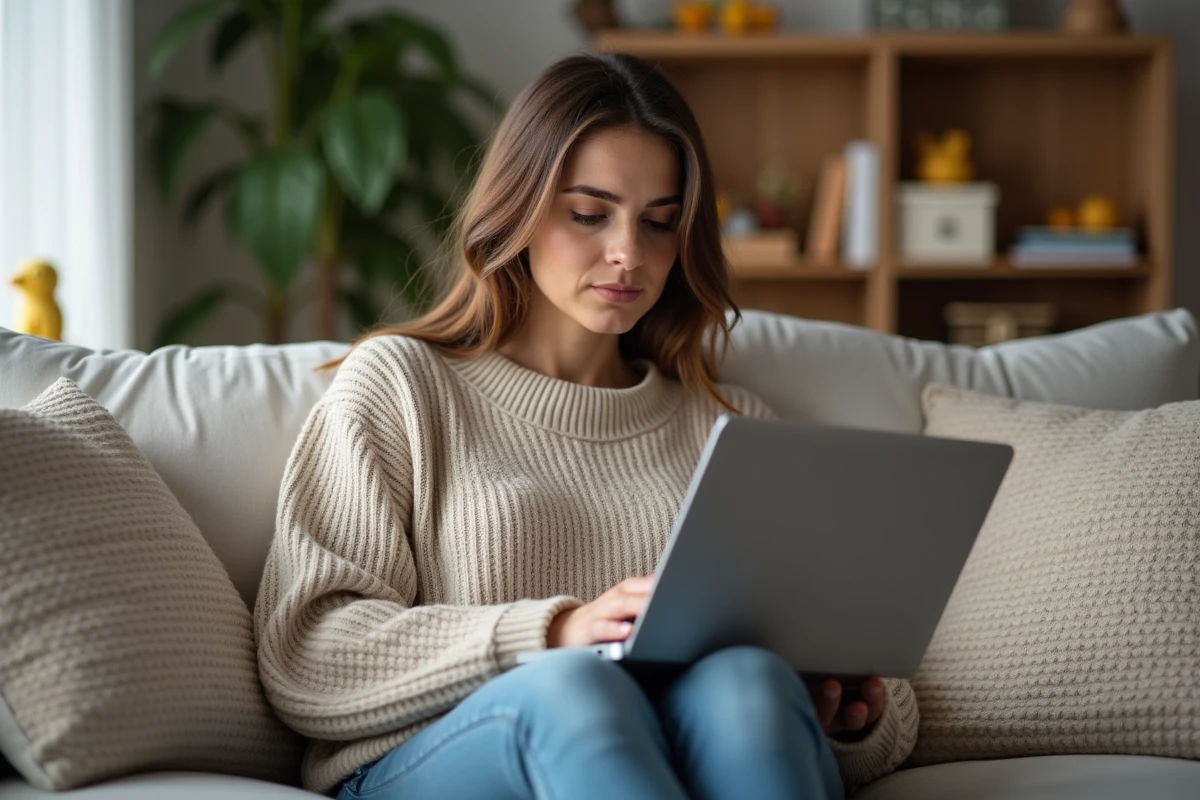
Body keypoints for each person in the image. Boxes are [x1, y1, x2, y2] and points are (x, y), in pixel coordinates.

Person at [253, 52, 917, 800]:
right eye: (589, 213)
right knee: (576, 689)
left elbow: (883, 718)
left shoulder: (733, 430)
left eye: (659, 222)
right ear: (520, 209)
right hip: (440, 762)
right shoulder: (403, 385)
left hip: (680, 755)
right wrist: (558, 632)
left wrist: (851, 714)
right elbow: (308, 652)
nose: (629, 254)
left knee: (751, 684)